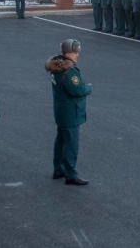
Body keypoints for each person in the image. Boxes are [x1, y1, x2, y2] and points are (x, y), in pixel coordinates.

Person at [45, 39, 92, 185]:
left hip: (62, 110)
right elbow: (77, 90)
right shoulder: (68, 72)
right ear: (68, 53)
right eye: (75, 52)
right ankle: (70, 173)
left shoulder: (57, 67)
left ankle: (58, 168)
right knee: (71, 144)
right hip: (71, 112)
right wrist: (88, 88)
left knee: (61, 141)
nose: (77, 55)